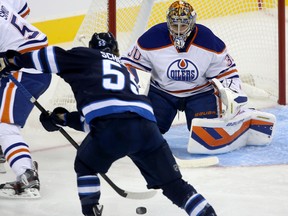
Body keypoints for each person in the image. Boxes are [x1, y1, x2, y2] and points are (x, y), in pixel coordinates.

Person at [0, 32, 217, 216]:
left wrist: (14, 61)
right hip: (147, 129)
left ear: (91, 48)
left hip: (112, 128)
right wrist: (64, 119)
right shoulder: (125, 70)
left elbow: (50, 56)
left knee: (85, 165)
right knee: (175, 187)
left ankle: (91, 210)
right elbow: (102, 113)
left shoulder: (85, 57)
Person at [120, 1, 254, 153]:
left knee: (207, 139)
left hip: (199, 93)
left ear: (192, 23)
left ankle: (242, 116)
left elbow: (227, 71)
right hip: (162, 93)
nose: (178, 31)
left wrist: (232, 94)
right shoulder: (152, 38)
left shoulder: (208, 40)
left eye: (182, 25)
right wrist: (130, 86)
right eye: (174, 25)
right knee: (146, 136)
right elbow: (128, 63)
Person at [0, 0, 52, 198]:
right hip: (30, 64)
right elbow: (21, 12)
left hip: (25, 70)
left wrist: (10, 57)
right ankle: (4, 149)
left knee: (6, 126)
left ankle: (26, 175)